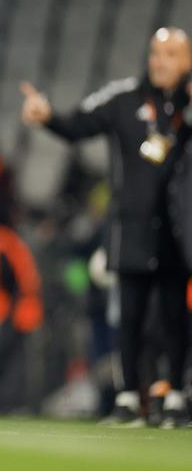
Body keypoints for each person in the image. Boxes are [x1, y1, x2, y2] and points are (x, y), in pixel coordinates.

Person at [20, 26, 192, 428]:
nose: (159, 61)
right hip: (130, 227)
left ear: (187, 62)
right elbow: (79, 125)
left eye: (170, 54)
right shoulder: (125, 98)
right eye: (155, 53)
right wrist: (48, 118)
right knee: (128, 315)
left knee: (174, 317)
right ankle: (129, 396)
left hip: (178, 232)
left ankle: (176, 395)